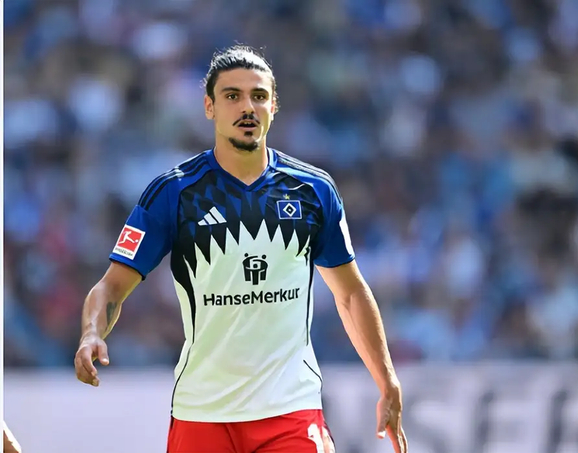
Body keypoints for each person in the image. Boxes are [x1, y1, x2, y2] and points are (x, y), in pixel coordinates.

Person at [74, 45, 408, 453]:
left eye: (259, 96)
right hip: (202, 413)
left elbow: (351, 293)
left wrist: (386, 378)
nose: (247, 107)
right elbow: (111, 287)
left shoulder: (313, 190)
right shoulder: (174, 193)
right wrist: (91, 334)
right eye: (232, 96)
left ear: (274, 107)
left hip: (290, 410)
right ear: (209, 107)